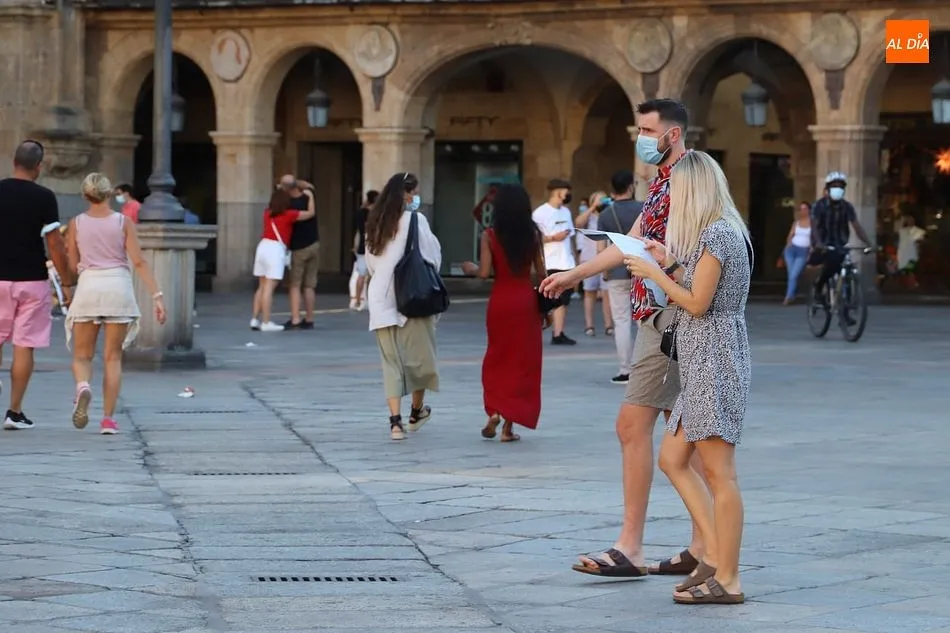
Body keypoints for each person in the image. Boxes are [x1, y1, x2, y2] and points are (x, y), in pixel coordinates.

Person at [540, 98, 706, 578]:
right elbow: (627, 241)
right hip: (658, 317)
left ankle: (632, 547)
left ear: (672, 135)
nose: (641, 138)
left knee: (635, 428)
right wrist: (574, 275)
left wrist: (667, 268)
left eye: (647, 129)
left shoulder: (688, 183)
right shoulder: (660, 184)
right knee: (687, 437)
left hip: (669, 316)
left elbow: (695, 248)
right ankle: (703, 541)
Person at [625, 150, 752, 605]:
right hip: (701, 362)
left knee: (721, 474)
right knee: (673, 457)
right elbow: (702, 287)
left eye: (676, 190)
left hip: (715, 361)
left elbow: (698, 303)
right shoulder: (716, 233)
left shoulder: (720, 233)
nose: (671, 199)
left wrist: (655, 272)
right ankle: (714, 557)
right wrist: (673, 263)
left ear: (694, 189)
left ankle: (730, 578)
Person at [65, 173, 167, 435]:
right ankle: (108, 420)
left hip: (89, 286)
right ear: (110, 194)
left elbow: (73, 264)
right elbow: (139, 262)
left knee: (82, 355)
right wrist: (157, 296)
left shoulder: (76, 223)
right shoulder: (123, 222)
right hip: (118, 288)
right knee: (113, 358)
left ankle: (82, 387)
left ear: (85, 195)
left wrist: (67, 287)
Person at [461, 184, 545, 443]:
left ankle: (494, 411)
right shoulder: (533, 234)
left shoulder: (489, 235)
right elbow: (542, 273)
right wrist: (547, 309)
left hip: (500, 301)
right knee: (522, 362)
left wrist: (470, 268)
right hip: (525, 301)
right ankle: (508, 428)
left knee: (497, 356)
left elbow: (484, 272)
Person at [0, 140, 75, 430]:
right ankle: (14, 412)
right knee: (24, 346)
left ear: (13, 161)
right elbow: (55, 244)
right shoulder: (44, 197)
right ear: (39, 167)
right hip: (31, 280)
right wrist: (66, 281)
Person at [365, 173, 441, 441]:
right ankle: (416, 411)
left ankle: (395, 423)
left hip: (380, 299)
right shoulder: (416, 220)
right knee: (420, 359)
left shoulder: (375, 222)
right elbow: (432, 255)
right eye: (415, 192)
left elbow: (371, 262)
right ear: (407, 194)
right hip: (411, 298)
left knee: (391, 362)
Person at [595, 170, 643, 384]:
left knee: (621, 321)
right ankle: (647, 368)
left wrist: (604, 271)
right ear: (631, 187)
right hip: (642, 269)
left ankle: (625, 369)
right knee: (645, 320)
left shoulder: (606, 214)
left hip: (616, 271)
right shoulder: (643, 208)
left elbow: (600, 248)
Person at [250, 189, 314, 332]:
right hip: (275, 249)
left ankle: (254, 319)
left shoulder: (267, 213)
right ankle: (266, 322)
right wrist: (310, 197)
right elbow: (310, 214)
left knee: (261, 285)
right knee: (269, 287)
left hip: (262, 246)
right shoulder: (289, 215)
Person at [810, 171, 872, 303]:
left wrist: (868, 243)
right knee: (831, 265)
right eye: (834, 187)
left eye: (840, 187)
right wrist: (818, 243)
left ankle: (846, 307)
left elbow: (856, 226)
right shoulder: (819, 206)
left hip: (840, 243)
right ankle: (819, 287)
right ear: (827, 189)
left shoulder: (847, 207)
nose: (837, 190)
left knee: (846, 270)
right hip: (824, 243)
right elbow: (814, 226)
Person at [532, 179, 577, 345]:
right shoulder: (540, 213)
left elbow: (571, 236)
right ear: (557, 192)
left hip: (567, 261)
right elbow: (534, 239)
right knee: (551, 299)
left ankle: (559, 332)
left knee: (564, 299)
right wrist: (553, 238)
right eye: (565, 192)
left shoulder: (566, 212)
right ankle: (550, 330)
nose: (567, 195)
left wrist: (575, 260)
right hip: (551, 261)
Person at [279, 175, 318, 330]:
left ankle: (295, 318)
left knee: (295, 285)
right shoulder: (309, 196)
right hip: (314, 244)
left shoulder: (287, 204)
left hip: (298, 248)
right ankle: (309, 319)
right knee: (309, 285)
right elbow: (309, 186)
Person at [575, 193, 614, 338]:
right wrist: (593, 207)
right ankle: (589, 325)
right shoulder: (589, 216)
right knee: (589, 293)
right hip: (589, 260)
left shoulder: (609, 215)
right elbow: (578, 223)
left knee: (606, 294)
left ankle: (609, 325)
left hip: (606, 260)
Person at [351, 190, 378, 311]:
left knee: (361, 274)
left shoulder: (361, 213)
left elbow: (357, 230)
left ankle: (357, 300)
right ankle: (373, 300)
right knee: (374, 276)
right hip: (376, 246)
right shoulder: (377, 214)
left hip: (362, 246)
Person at [781, 201, 812, 305]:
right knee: (792, 274)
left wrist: (810, 252)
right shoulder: (796, 223)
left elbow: (813, 239)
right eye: (801, 209)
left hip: (803, 251)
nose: (802, 211)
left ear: (809, 210)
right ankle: (791, 295)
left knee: (794, 274)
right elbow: (790, 235)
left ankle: (788, 297)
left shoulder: (813, 223)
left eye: (805, 209)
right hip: (791, 250)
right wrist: (788, 243)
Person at [896, 215, 926, 288]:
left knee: (910, 268)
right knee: (904, 269)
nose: (909, 222)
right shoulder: (902, 231)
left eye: (911, 220)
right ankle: (907, 283)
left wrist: (918, 243)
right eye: (908, 220)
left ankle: (911, 282)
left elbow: (921, 240)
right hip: (903, 253)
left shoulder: (918, 231)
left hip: (912, 253)